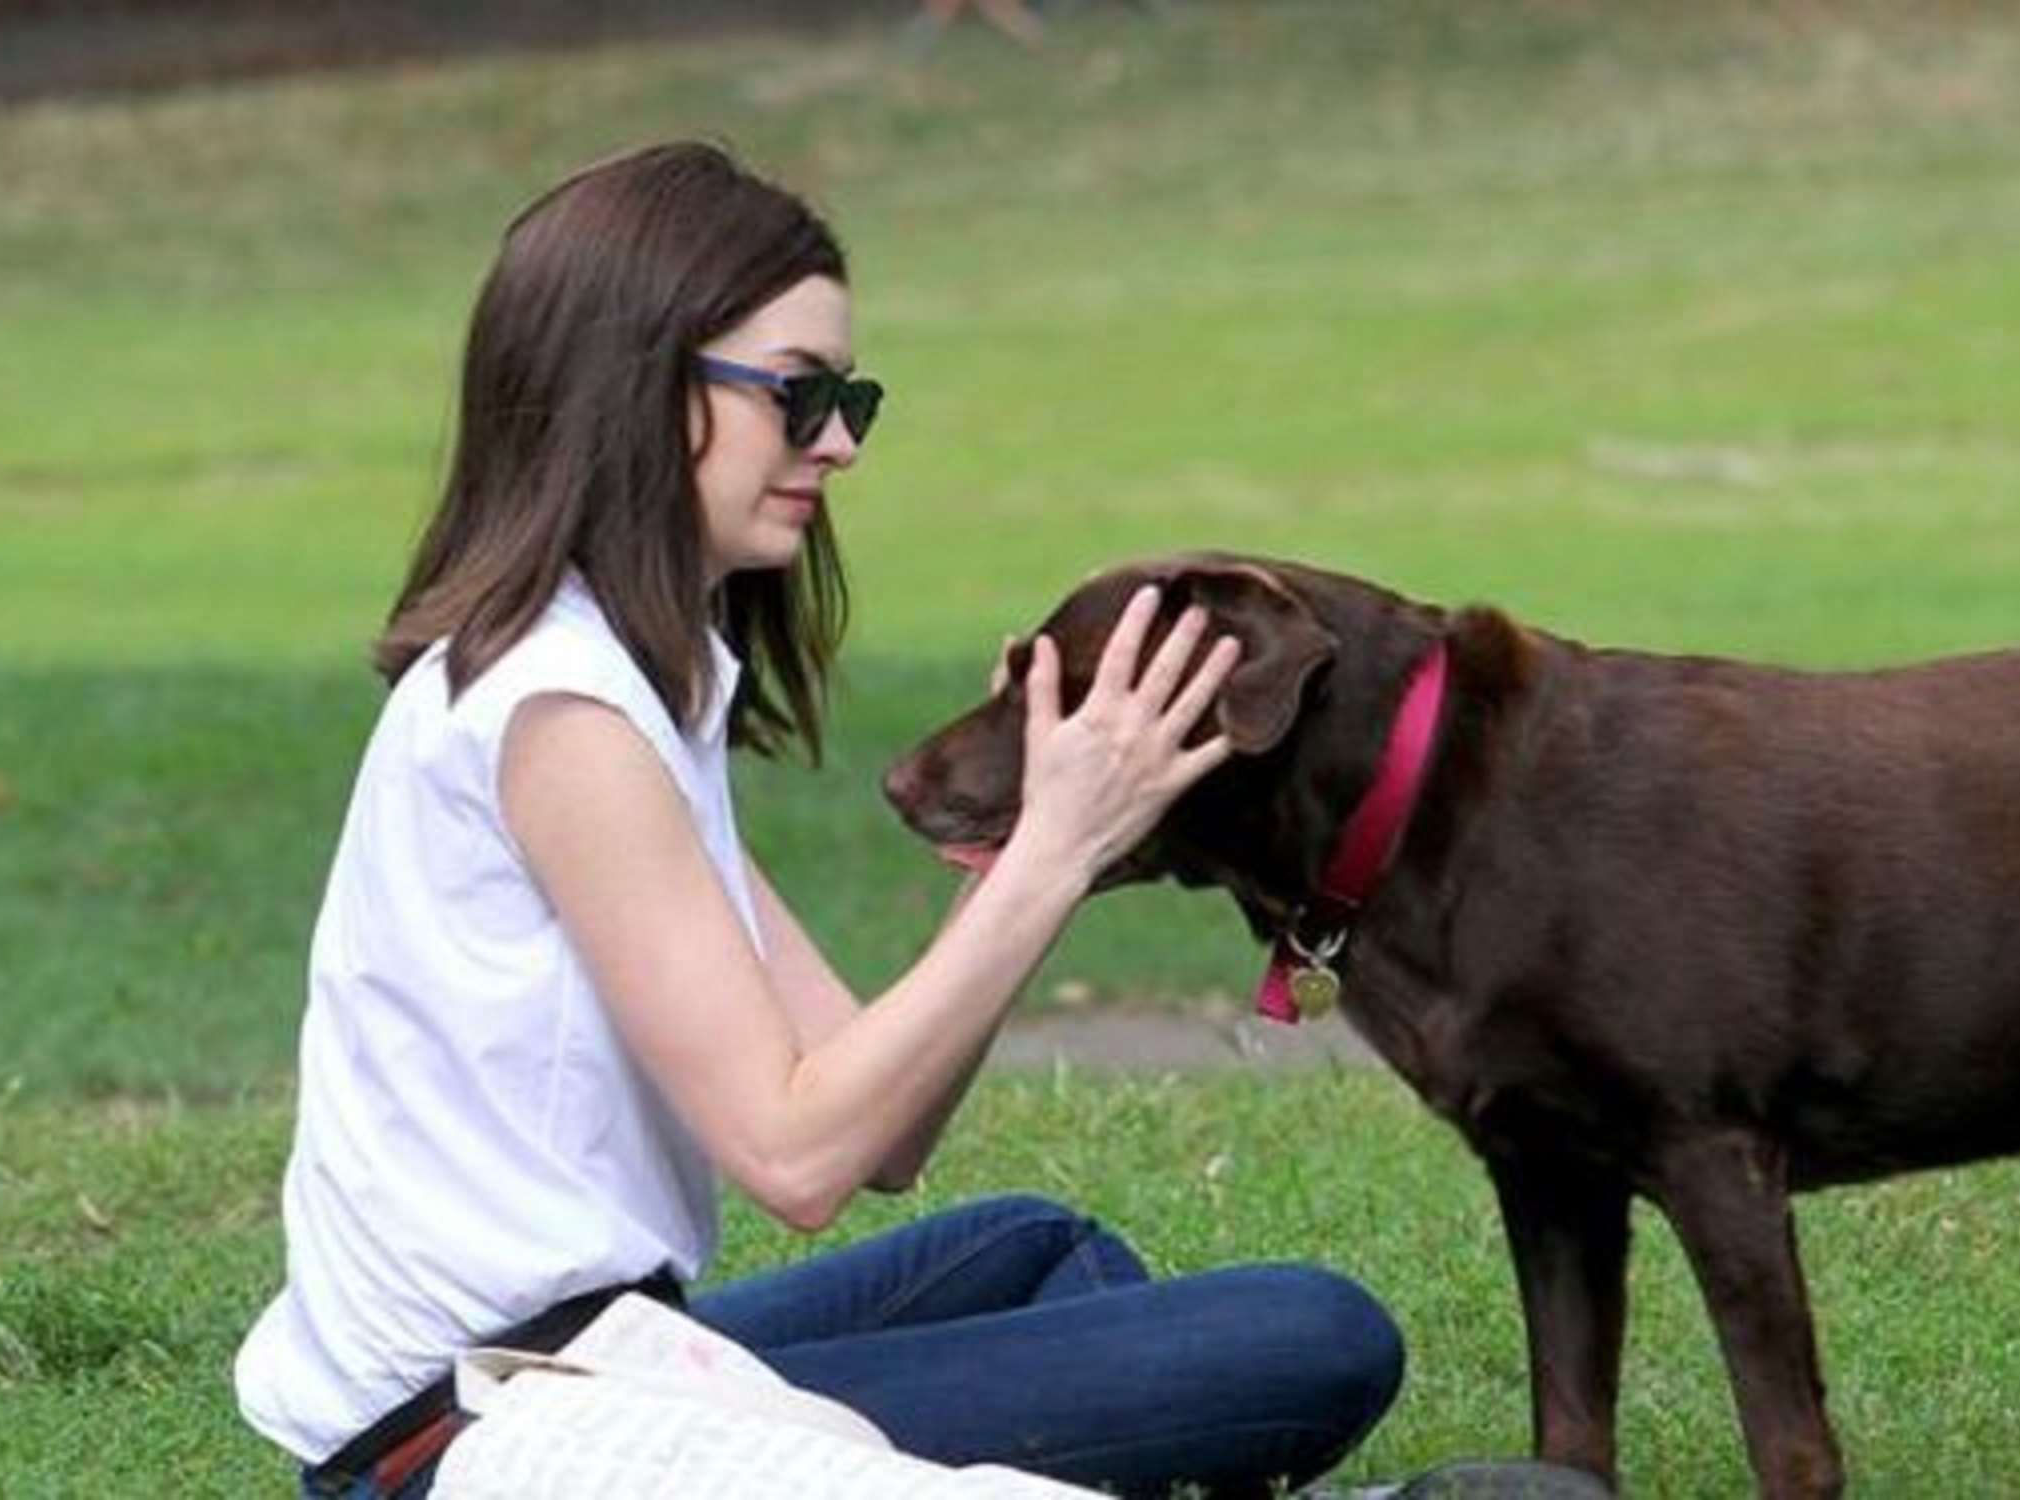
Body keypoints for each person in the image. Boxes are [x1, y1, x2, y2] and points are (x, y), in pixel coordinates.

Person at [233, 140, 1403, 1499]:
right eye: (797, 396)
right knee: (1314, 1334)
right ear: (639, 385)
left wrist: (1042, 823)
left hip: (600, 1356)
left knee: (1035, 1248)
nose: (837, 441)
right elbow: (797, 1155)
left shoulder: (621, 680)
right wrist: (1058, 845)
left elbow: (882, 1132)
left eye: (848, 398)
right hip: (483, 1436)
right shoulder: (563, 718)